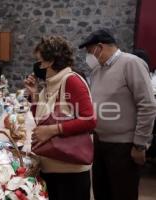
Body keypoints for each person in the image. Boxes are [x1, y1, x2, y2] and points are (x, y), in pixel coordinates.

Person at [79, 29, 156, 200]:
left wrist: (140, 144)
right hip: (100, 142)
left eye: (90, 52)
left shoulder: (131, 63)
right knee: (102, 191)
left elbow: (147, 105)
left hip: (124, 146)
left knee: (123, 193)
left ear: (100, 47)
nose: (89, 57)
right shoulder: (98, 71)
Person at [25, 36, 96, 200]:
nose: (38, 65)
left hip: (69, 170)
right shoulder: (50, 83)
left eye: (40, 60)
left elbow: (89, 120)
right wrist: (34, 94)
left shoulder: (71, 81)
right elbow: (41, 120)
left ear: (50, 61)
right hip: (51, 164)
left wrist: (53, 130)